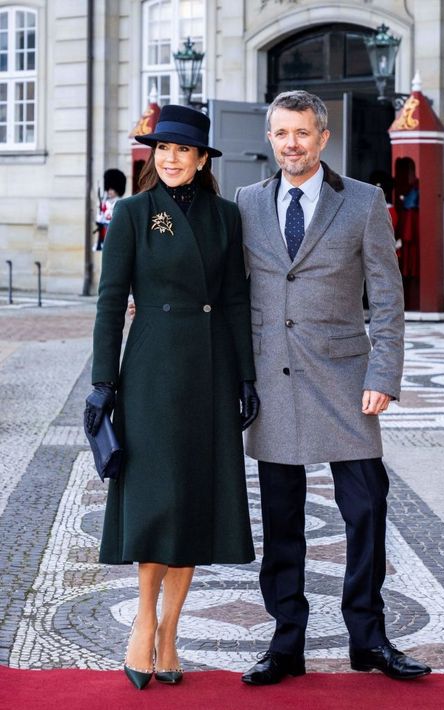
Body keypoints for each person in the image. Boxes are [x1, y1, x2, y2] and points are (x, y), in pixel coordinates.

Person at [236, 90, 431, 685]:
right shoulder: (244, 202)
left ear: (323, 138)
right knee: (282, 517)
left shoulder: (365, 202)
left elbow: (388, 297)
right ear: (269, 138)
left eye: (302, 133)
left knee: (367, 507)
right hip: (273, 379)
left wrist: (383, 375)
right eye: (280, 133)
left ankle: (368, 639)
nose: (290, 143)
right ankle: (286, 643)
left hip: (347, 380)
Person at [84, 104, 259, 690]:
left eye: (183, 150)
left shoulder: (226, 216)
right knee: (157, 498)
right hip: (152, 369)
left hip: (210, 368)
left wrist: (246, 377)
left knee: (194, 501)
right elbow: (111, 304)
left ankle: (170, 632)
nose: (171, 159)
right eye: (163, 150)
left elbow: (236, 298)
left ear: (203, 158)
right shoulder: (133, 213)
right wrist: (103, 382)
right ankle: (142, 620)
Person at [94, 168, 127, 251]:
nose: (109, 191)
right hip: (105, 232)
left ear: (117, 190)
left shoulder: (122, 203)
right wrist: (99, 211)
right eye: (108, 189)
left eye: (111, 189)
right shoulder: (105, 203)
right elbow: (100, 219)